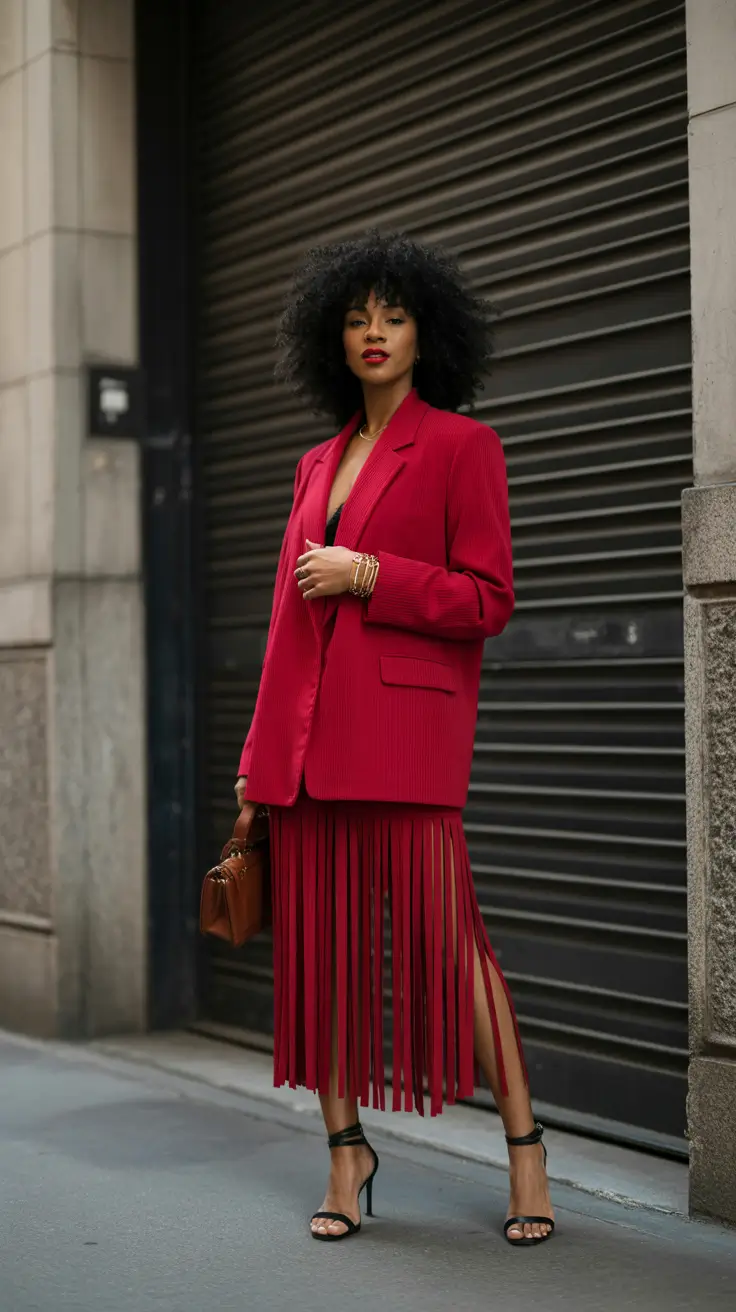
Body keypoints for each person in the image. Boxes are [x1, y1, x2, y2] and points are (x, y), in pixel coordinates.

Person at [234, 231, 554, 1245]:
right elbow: (287, 627)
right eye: (355, 317)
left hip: (407, 749)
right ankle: (345, 1159)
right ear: (330, 336)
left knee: (456, 954)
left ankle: (525, 1153)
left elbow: (487, 598)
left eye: (394, 315)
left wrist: (368, 573)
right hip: (309, 755)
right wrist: (253, 770)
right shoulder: (313, 462)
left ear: (427, 332)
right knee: (319, 965)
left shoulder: (463, 446)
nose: (373, 332)